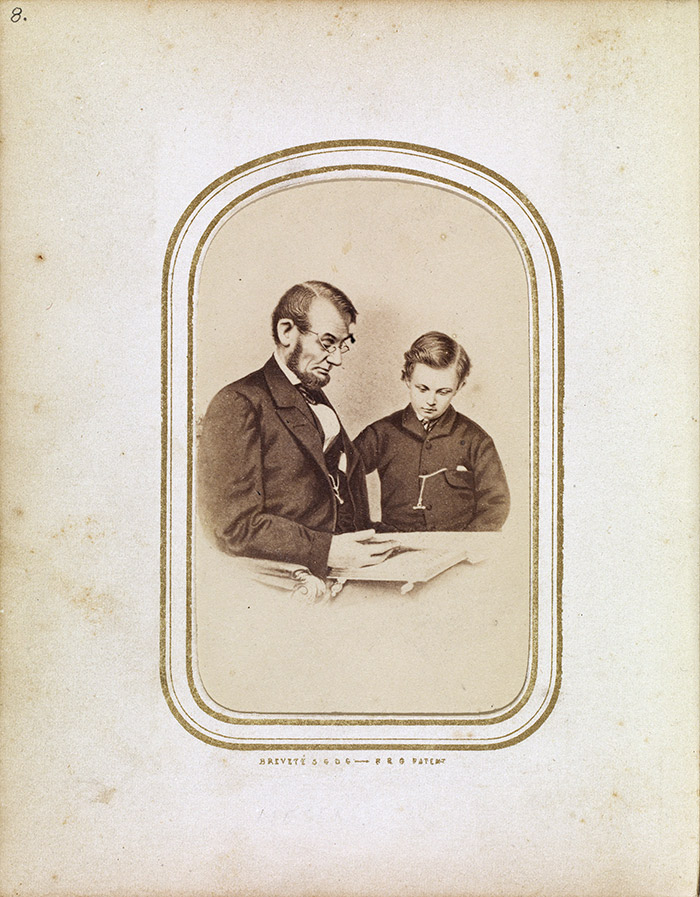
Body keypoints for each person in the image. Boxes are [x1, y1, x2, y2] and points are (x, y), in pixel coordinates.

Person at [197, 281, 398, 578]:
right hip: (293, 582)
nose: (338, 359)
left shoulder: (313, 394)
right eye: (327, 342)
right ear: (286, 331)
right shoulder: (238, 402)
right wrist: (328, 549)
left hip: (350, 569)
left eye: (343, 345)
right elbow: (233, 526)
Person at [354, 331, 510, 532]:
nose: (431, 401)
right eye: (423, 388)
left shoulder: (476, 439)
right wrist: (367, 528)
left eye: (443, 392)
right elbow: (340, 479)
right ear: (407, 379)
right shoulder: (380, 433)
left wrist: (467, 542)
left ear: (459, 387)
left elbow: (496, 503)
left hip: (457, 551)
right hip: (395, 551)